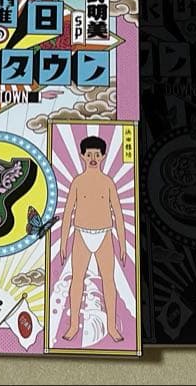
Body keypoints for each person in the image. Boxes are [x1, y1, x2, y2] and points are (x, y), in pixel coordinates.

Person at [58, 136, 125, 342]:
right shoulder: (78, 182)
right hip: (81, 234)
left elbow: (118, 213)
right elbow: (68, 212)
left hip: (104, 234)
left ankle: (112, 327)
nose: (93, 158)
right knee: (77, 280)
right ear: (82, 156)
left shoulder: (108, 183)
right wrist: (63, 242)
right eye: (89, 154)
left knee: (109, 281)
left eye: (97, 154)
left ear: (103, 156)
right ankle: (73, 326)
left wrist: (122, 244)